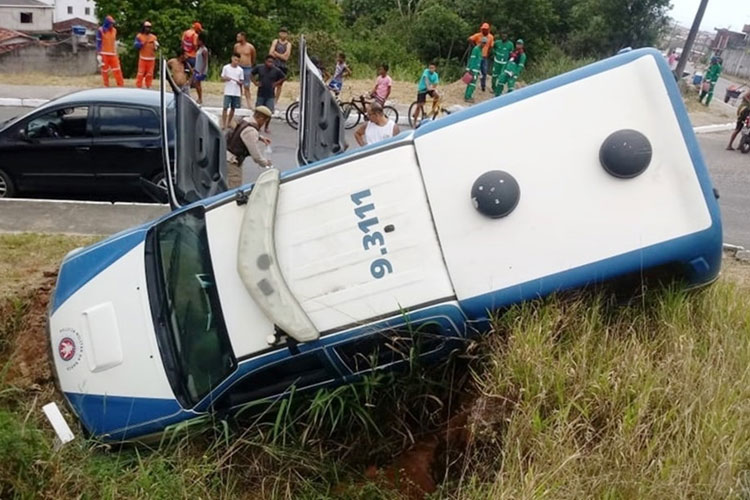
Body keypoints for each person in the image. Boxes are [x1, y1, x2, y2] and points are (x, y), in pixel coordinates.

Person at [225, 106, 274, 189]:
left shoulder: (246, 120)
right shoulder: (251, 130)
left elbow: (243, 133)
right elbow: (255, 155)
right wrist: (265, 163)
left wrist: (260, 138)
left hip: (226, 155)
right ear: (261, 118)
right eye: (265, 121)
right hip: (232, 161)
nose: (263, 124)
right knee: (234, 187)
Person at [251, 55, 286, 131]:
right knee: (258, 111)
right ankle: (256, 125)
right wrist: (255, 83)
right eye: (269, 61)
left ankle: (266, 127)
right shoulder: (259, 68)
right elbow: (251, 74)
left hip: (270, 94)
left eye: (272, 62)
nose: (270, 63)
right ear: (265, 61)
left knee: (269, 113)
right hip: (261, 93)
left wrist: (276, 83)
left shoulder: (276, 70)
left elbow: (283, 77)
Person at [96, 15, 123, 87]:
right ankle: (106, 85)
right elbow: (98, 42)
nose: (112, 25)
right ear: (107, 23)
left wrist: (116, 52)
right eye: (111, 23)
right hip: (104, 53)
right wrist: (99, 53)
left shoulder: (114, 30)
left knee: (117, 69)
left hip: (113, 53)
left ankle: (120, 85)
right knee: (105, 71)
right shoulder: (100, 30)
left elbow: (114, 42)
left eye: (112, 23)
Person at [467, 22, 494, 92]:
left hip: (484, 57)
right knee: (472, 70)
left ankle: (483, 86)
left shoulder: (491, 37)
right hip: (476, 56)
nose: (484, 30)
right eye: (483, 29)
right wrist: (475, 47)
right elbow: (469, 39)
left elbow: (491, 46)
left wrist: (488, 52)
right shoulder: (478, 35)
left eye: (486, 29)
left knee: (484, 71)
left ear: (488, 30)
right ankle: (467, 83)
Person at [412, 62, 440, 126]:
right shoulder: (426, 72)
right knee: (419, 105)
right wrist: (429, 87)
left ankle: (433, 109)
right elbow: (426, 80)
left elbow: (435, 84)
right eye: (430, 68)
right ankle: (414, 122)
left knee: (437, 95)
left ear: (435, 68)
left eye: (432, 68)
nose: (431, 69)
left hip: (429, 89)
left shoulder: (435, 75)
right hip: (422, 89)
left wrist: (435, 89)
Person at [221, 53, 244, 129]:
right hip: (228, 91)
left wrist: (240, 83)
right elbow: (222, 78)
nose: (236, 62)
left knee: (233, 108)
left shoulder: (240, 70)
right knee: (225, 107)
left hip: (236, 92)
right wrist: (226, 78)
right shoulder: (226, 68)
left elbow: (242, 81)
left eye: (238, 60)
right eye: (235, 60)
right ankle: (224, 123)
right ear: (232, 58)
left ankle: (229, 122)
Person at [234, 32, 257, 108]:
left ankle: (249, 103)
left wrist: (251, 66)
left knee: (246, 86)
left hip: (247, 67)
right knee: (238, 85)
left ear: (243, 37)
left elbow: (253, 57)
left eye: (239, 36)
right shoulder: (236, 46)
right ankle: (238, 102)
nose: (237, 38)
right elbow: (235, 56)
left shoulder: (250, 47)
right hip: (238, 67)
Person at [269, 27, 291, 101]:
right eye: (282, 33)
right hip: (274, 65)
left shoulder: (288, 44)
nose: (283, 35)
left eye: (285, 33)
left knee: (279, 85)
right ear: (279, 33)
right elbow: (271, 53)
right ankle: (270, 98)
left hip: (282, 66)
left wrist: (276, 54)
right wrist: (281, 55)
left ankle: (276, 101)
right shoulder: (275, 41)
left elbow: (286, 57)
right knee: (272, 83)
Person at [134, 21, 158, 89]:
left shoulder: (154, 37)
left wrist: (156, 46)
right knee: (140, 73)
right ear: (143, 28)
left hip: (151, 58)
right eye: (147, 27)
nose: (148, 29)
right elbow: (135, 45)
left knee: (150, 74)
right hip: (143, 58)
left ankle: (148, 85)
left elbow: (156, 47)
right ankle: (138, 85)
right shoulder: (139, 36)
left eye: (149, 27)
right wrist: (140, 44)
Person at [192, 33, 209, 104]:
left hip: (201, 70)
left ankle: (200, 98)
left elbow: (205, 62)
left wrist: (201, 71)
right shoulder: (199, 49)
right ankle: (199, 97)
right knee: (196, 83)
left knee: (196, 82)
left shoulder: (204, 50)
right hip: (197, 68)